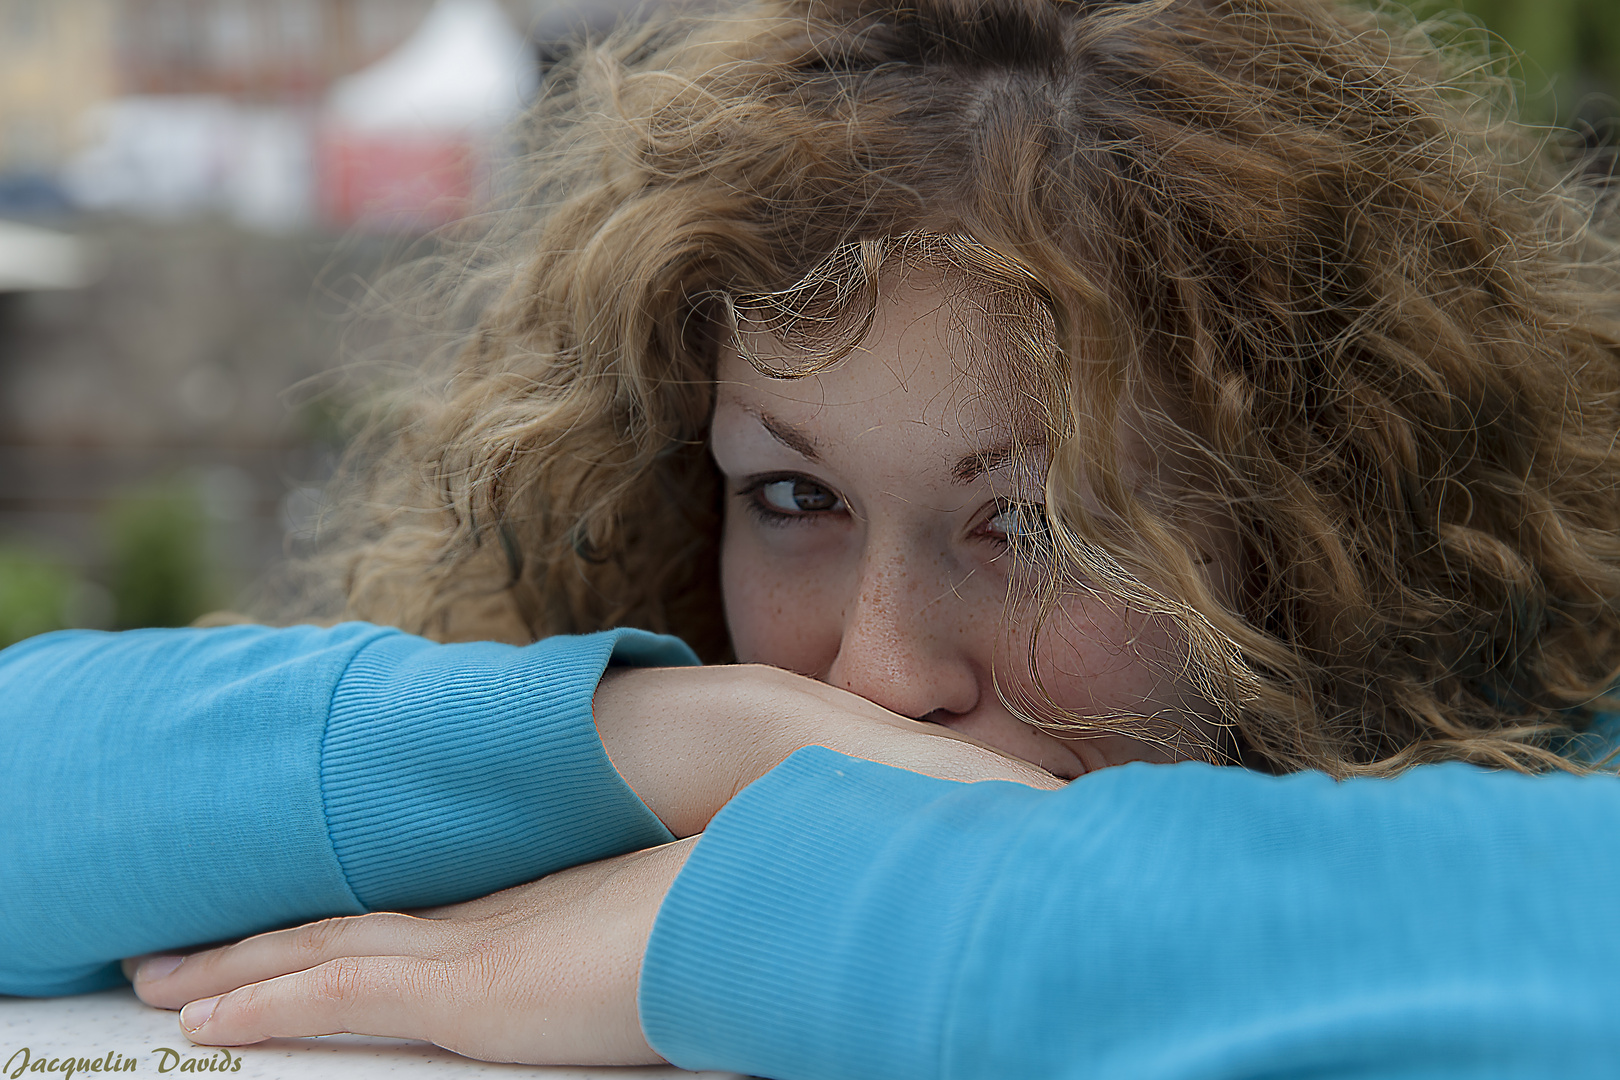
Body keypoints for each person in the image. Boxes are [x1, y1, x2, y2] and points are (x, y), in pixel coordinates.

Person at [6, 0, 1620, 1074]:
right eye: (793, 499)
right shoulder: (695, 721)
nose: (869, 671)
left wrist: (814, 903)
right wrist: (684, 732)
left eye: (1039, 526)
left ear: (1319, 532)